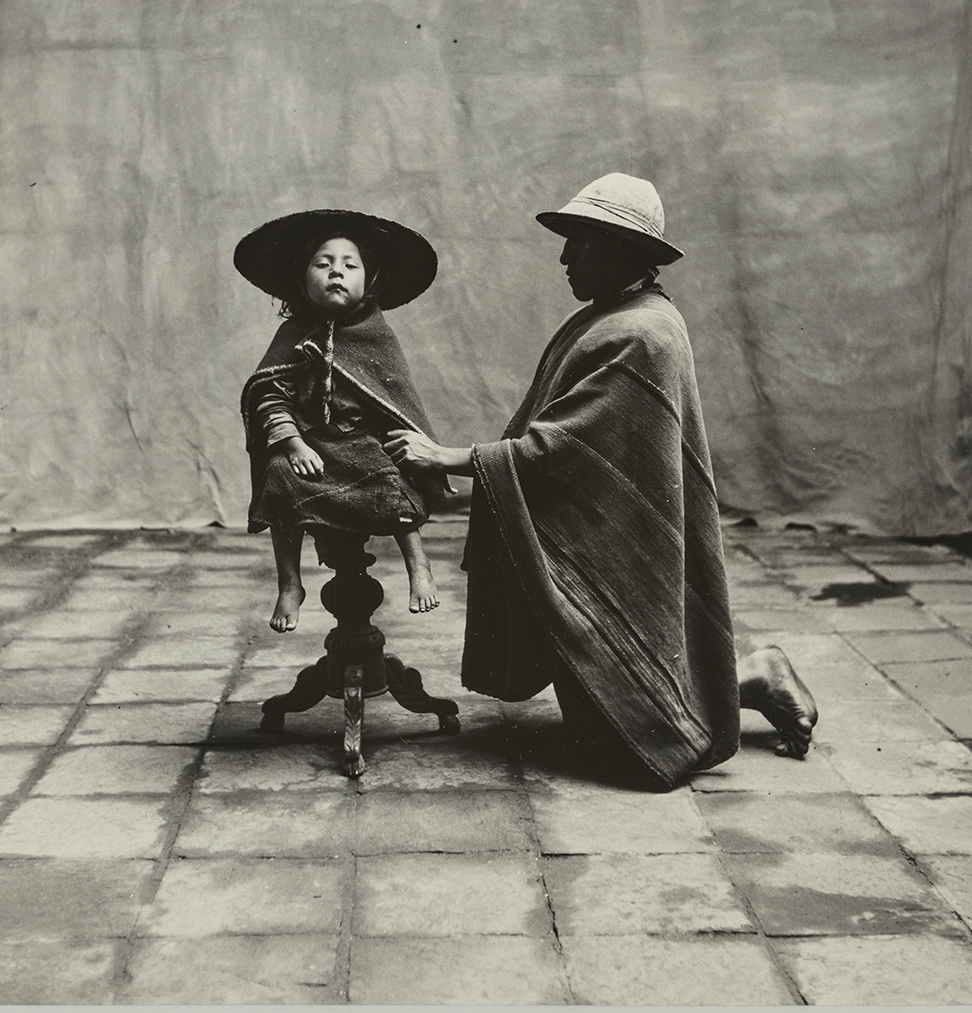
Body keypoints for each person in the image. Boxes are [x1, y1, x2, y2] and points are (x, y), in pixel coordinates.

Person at [384, 173, 817, 789]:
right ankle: (746, 676)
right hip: (602, 528)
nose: (564, 258)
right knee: (603, 706)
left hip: (618, 539)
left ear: (622, 249)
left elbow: (562, 447)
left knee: (638, 735)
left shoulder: (642, 332)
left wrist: (445, 457)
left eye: (579, 243)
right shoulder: (612, 318)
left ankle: (757, 673)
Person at [236, 209, 448, 632]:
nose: (337, 272)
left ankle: (417, 563)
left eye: (350, 265)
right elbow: (269, 398)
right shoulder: (293, 337)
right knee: (279, 477)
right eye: (323, 263)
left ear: (368, 281)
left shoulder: (377, 335)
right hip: (310, 447)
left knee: (391, 476)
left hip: (364, 447)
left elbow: (395, 406)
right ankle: (290, 583)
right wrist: (294, 444)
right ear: (302, 280)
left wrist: (405, 449)